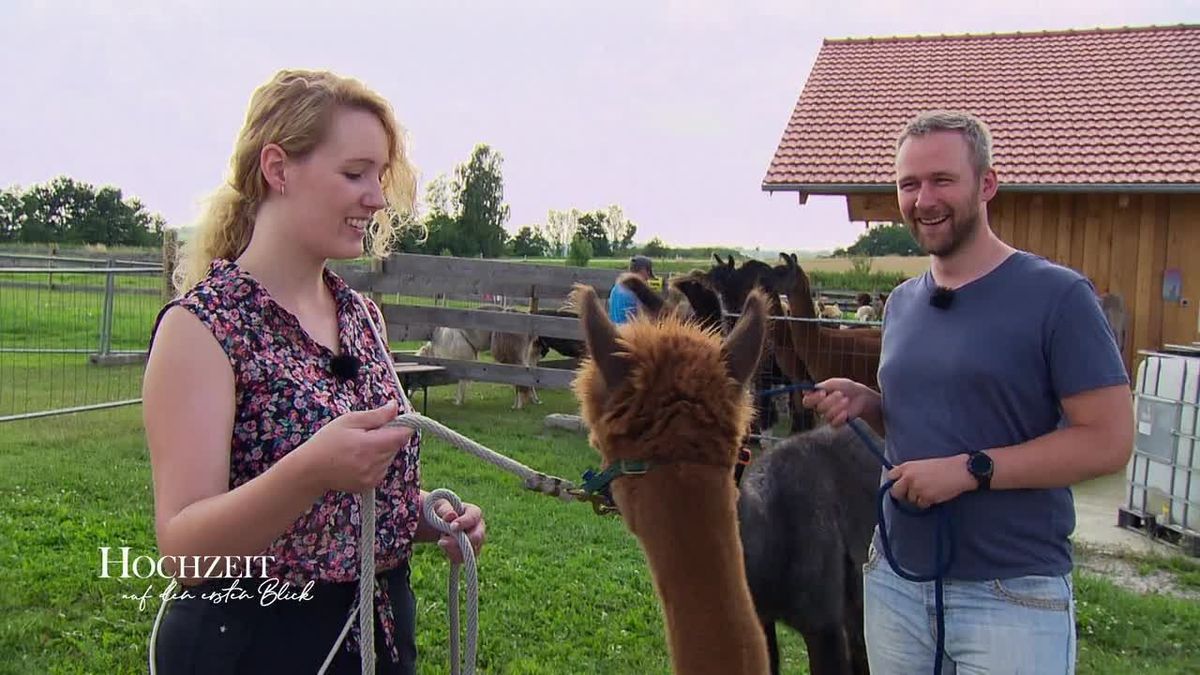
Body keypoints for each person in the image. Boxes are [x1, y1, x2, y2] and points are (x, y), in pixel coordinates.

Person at [142, 69, 486, 674]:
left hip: (372, 634)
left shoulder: (360, 317)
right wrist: (310, 472)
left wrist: (427, 515)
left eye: (379, 177)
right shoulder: (202, 329)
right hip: (258, 645)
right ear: (279, 169)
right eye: (354, 174)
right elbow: (183, 550)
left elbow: (359, 502)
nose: (376, 197)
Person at [802, 110, 1133, 674]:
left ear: (987, 184)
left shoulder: (1057, 297)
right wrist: (873, 405)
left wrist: (970, 470)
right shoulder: (904, 302)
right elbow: (938, 416)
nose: (923, 199)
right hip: (898, 584)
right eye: (908, 184)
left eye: (941, 180)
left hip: (1009, 594)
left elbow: (1108, 442)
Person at [607, 254, 657, 323]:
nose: (647, 278)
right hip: (631, 332)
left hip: (615, 330)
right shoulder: (637, 291)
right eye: (648, 273)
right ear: (643, 271)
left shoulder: (616, 288)